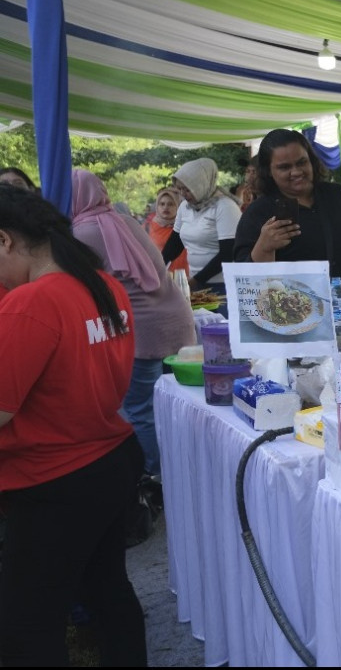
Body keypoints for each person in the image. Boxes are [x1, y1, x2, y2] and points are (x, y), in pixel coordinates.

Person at [0, 187, 148, 666]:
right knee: (108, 592)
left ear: (4, 241)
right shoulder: (104, 284)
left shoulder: (31, 303)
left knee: (26, 623)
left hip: (55, 480)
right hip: (109, 461)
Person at [71, 168, 196, 484]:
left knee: (140, 409)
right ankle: (185, 469)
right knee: (176, 405)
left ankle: (155, 475)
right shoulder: (123, 220)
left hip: (142, 329)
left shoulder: (83, 231)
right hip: (177, 320)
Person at [234, 129, 341, 333]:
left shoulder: (340, 197)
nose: (296, 171)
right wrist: (263, 248)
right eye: (284, 167)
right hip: (297, 334)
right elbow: (245, 283)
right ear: (268, 171)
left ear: (312, 160)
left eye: (301, 162)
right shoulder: (258, 213)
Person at [162, 157, 241, 297]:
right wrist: (158, 268)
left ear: (200, 185)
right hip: (196, 282)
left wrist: (195, 281)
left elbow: (228, 253)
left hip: (223, 284)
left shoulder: (225, 207)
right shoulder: (185, 208)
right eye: (180, 189)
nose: (183, 194)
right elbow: (174, 244)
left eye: (187, 189)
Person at [147, 186, 189, 275]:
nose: (165, 207)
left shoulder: (186, 227)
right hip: (159, 277)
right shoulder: (147, 227)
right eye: (162, 204)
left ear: (178, 206)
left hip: (185, 277)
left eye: (170, 204)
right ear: (157, 206)